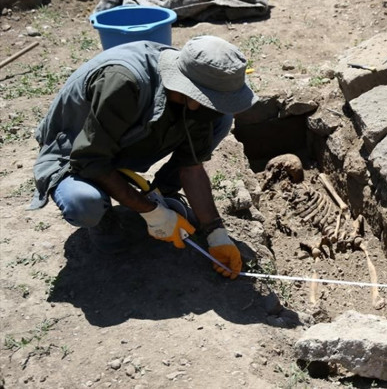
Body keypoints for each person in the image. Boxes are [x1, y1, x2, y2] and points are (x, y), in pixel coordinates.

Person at [29, 35, 259, 279]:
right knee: (83, 203)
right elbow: (90, 159)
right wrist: (152, 212)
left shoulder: (196, 101)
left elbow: (191, 167)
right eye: (217, 101)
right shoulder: (124, 83)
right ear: (193, 92)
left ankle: (163, 194)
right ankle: (105, 218)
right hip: (75, 151)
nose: (218, 106)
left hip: (123, 140)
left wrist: (216, 232)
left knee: (221, 121)